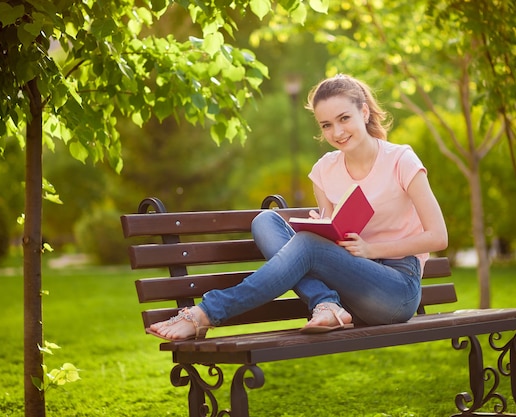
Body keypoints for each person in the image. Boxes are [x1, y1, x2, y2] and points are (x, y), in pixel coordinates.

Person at [148, 74, 448, 341]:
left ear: (364, 112)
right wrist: (325, 228)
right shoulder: (324, 170)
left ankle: (205, 314)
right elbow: (334, 236)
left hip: (395, 288)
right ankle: (326, 304)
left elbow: (438, 237)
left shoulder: (401, 160)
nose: (337, 132)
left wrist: (371, 250)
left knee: (306, 244)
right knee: (265, 221)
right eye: (326, 125)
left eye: (344, 118)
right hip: (347, 282)